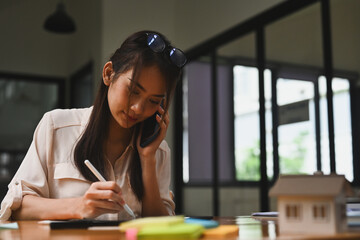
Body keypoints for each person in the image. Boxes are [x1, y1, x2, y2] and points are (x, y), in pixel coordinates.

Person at [0, 30, 186, 220]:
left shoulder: (158, 151)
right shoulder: (57, 127)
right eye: (133, 90)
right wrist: (78, 206)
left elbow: (161, 226)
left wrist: (147, 160)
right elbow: (16, 209)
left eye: (153, 101)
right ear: (108, 74)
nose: (138, 108)